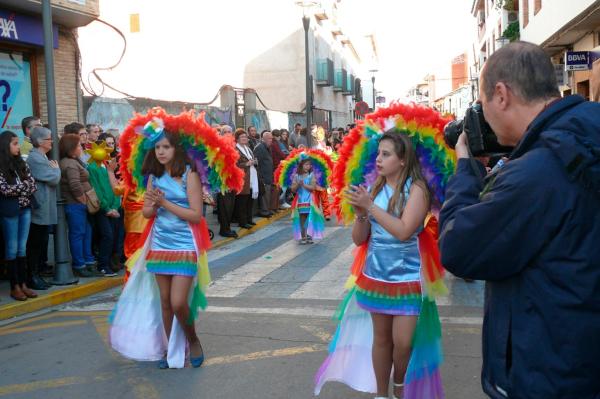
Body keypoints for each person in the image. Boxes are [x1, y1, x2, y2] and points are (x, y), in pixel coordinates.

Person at [439, 41, 600, 398]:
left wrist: (465, 166)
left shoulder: (538, 172)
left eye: (481, 105)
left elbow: (458, 248)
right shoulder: (586, 134)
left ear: (501, 95)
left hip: (550, 374)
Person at [0, 130, 37, 300]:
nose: (17, 146)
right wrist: (24, 187)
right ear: (5, 145)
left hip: (25, 209)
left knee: (23, 247)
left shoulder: (21, 162)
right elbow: (5, 190)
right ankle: (14, 286)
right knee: (12, 248)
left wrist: (22, 188)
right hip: (10, 211)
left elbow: (33, 185)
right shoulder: (1, 165)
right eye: (14, 143)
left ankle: (23, 284)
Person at [25, 127, 61, 290]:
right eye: (49, 139)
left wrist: (53, 170)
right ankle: (32, 276)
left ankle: (36, 274)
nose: (52, 141)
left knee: (40, 242)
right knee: (35, 243)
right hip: (40, 206)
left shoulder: (42, 157)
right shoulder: (36, 158)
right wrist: (56, 169)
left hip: (44, 205)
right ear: (40, 141)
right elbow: (53, 179)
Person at [59, 134, 97, 278]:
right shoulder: (69, 164)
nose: (81, 148)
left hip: (79, 205)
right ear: (71, 148)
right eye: (79, 146)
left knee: (86, 233)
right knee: (78, 234)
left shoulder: (74, 161)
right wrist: (82, 200)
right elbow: (74, 184)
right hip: (75, 205)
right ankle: (79, 264)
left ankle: (87, 261)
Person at [215, 126, 238, 238]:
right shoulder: (219, 145)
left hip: (232, 179)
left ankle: (227, 228)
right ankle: (224, 229)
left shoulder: (232, 145)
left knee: (230, 206)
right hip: (223, 181)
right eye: (225, 132)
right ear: (222, 133)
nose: (228, 133)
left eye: (230, 132)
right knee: (224, 207)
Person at [290, 158, 320, 244]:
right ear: (301, 165)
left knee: (310, 218)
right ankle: (303, 237)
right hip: (301, 200)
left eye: (309, 165)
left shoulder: (311, 175)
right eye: (306, 164)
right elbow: (293, 190)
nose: (308, 166)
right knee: (302, 218)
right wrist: (298, 185)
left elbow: (312, 188)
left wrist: (304, 184)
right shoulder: (296, 176)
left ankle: (309, 236)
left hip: (310, 199)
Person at [233, 129, 258, 229]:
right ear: (237, 139)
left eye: (245, 137)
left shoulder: (248, 148)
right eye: (242, 137)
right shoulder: (236, 149)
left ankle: (249, 219)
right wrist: (246, 164)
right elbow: (235, 164)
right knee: (242, 201)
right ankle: (242, 222)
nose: (244, 138)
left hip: (251, 176)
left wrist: (254, 161)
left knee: (249, 200)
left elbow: (251, 159)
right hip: (243, 178)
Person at [253, 130, 274, 217]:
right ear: (264, 139)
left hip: (268, 175)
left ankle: (267, 210)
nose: (271, 140)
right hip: (263, 176)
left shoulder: (266, 147)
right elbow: (257, 163)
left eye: (271, 138)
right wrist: (260, 177)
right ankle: (264, 211)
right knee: (264, 195)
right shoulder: (260, 148)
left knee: (267, 194)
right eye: (269, 139)